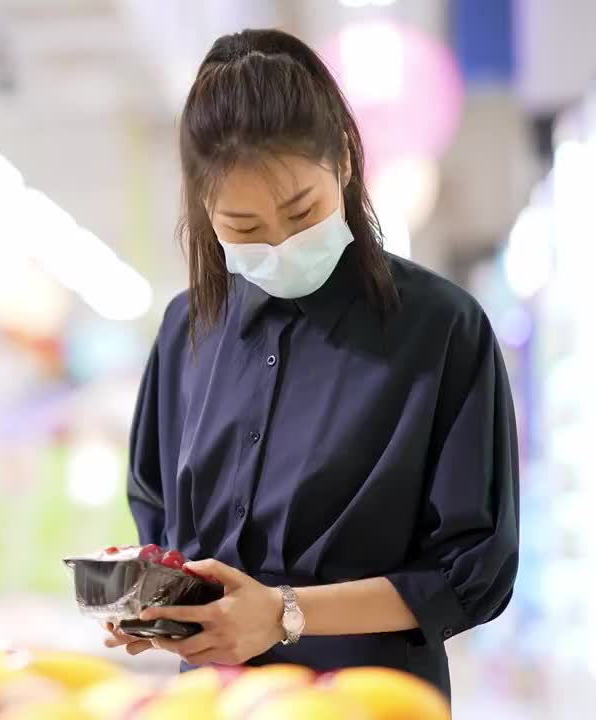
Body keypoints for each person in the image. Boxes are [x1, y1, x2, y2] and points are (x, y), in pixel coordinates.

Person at [103, 28, 519, 699]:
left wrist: (284, 615)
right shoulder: (188, 330)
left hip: (369, 702)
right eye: (243, 228)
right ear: (204, 213)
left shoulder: (441, 329)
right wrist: (160, 607)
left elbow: (474, 569)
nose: (280, 243)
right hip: (215, 703)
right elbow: (159, 516)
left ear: (347, 163)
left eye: (302, 211)